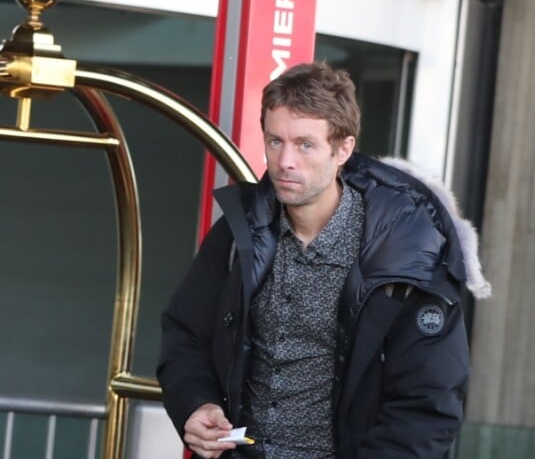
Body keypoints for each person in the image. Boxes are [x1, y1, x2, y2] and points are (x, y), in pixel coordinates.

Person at [157, 61, 491, 459]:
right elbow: (185, 336)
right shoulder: (238, 232)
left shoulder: (408, 255)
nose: (285, 162)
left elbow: (428, 406)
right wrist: (196, 404)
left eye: (305, 144)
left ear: (342, 149)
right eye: (275, 141)